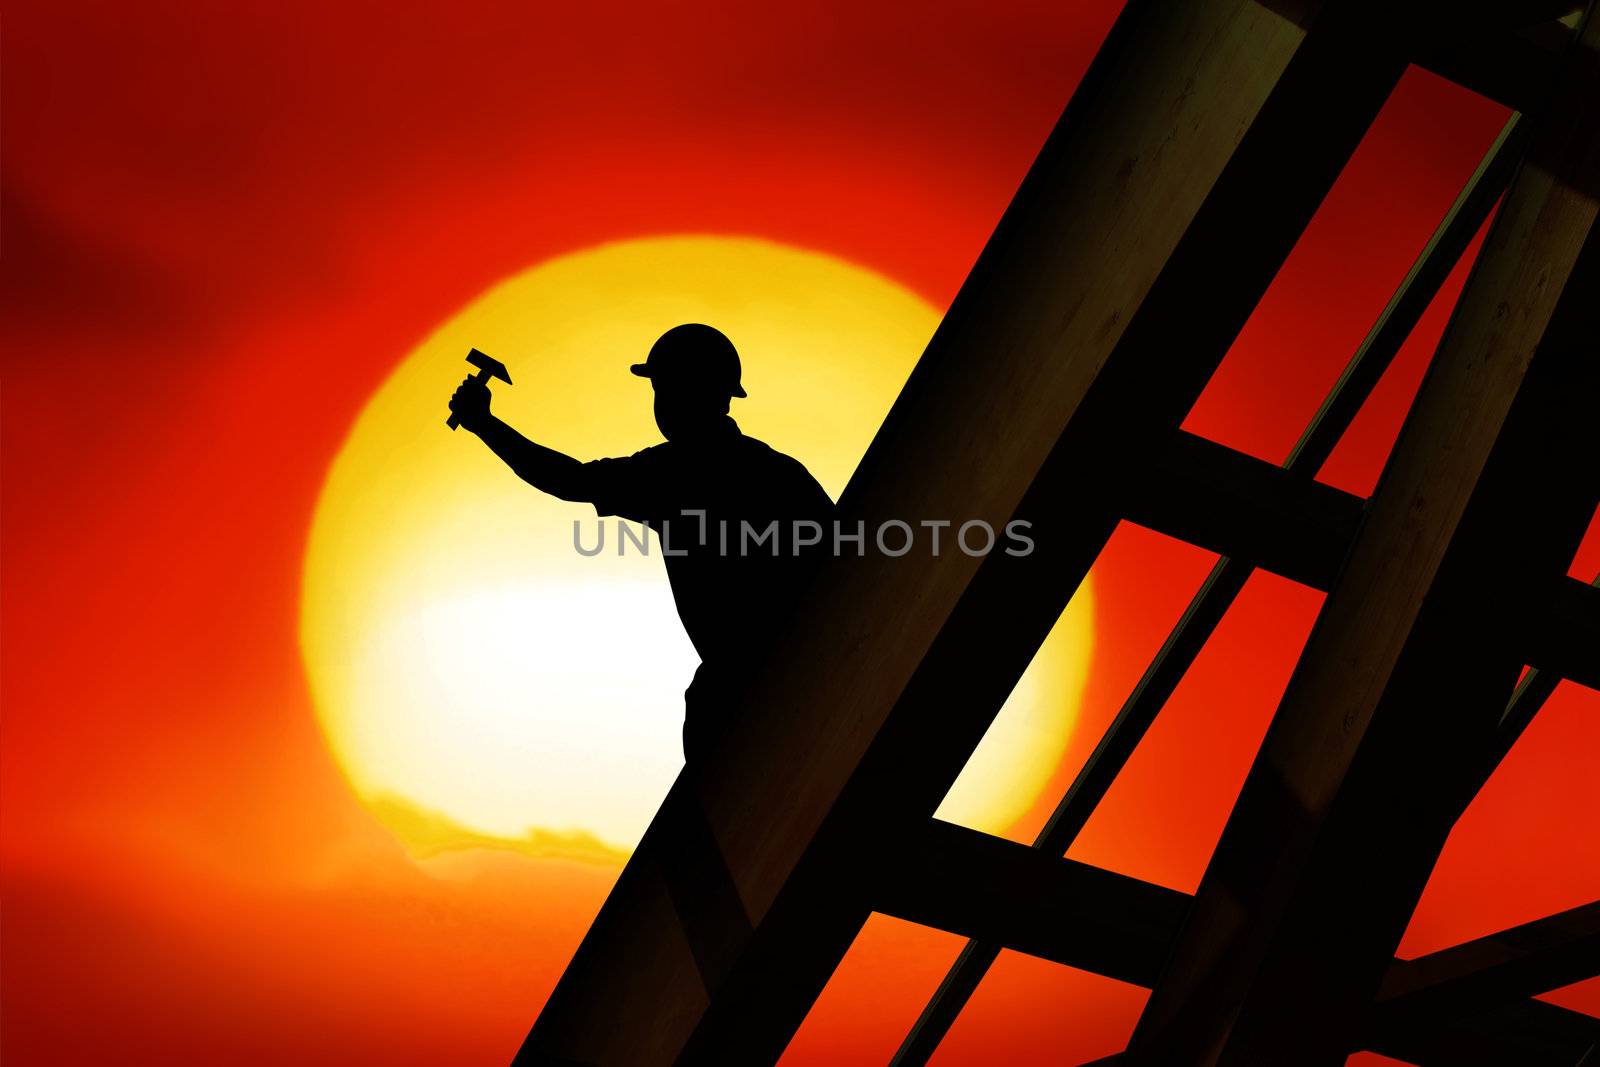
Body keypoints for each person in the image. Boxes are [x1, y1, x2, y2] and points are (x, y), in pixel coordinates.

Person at [448, 323, 834, 763]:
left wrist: (484, 424)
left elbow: (569, 480)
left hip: (752, 685)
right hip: (817, 668)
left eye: (664, 390)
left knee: (710, 718)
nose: (661, 404)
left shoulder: (669, 474)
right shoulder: (780, 472)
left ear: (685, 393)